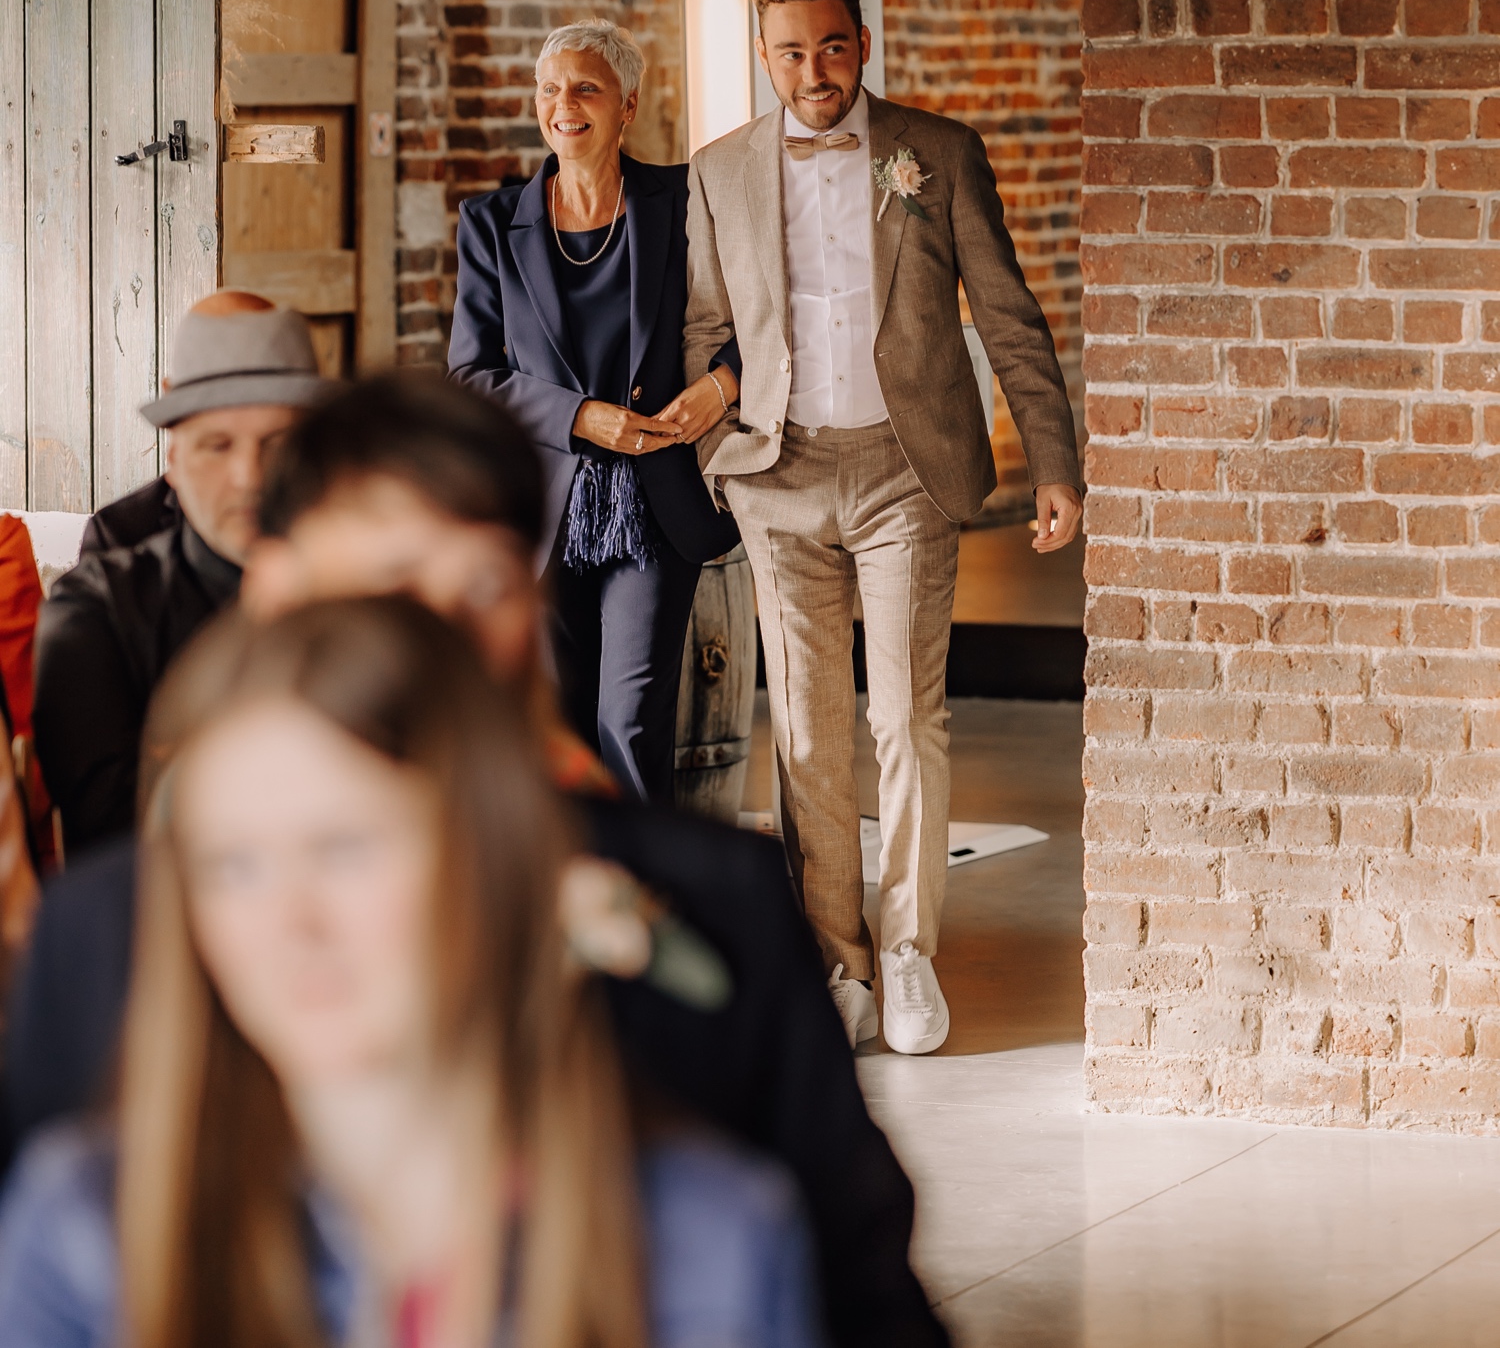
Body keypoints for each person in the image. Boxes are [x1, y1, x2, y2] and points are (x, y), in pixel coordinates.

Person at [7, 373, 946, 1348]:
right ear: (280, 591)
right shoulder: (106, 937)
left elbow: (863, 1292)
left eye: (487, 586)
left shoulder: (716, 908)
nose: (441, 635)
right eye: (392, 581)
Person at [0, 596, 826, 1348]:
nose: (292, 923)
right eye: (233, 866)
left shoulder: (713, 1243)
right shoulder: (83, 1234)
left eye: (345, 847)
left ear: (487, 856)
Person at [684, 0, 1083, 1056]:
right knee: (807, 733)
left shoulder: (938, 153)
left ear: (860, 41)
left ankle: (907, 954)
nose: (812, 71)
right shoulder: (718, 173)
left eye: (830, 46)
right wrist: (723, 451)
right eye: (788, 52)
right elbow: (701, 332)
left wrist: (1056, 460)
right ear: (761, 55)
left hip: (907, 472)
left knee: (906, 715)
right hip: (780, 476)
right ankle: (839, 965)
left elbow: (1008, 313)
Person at [449, 18, 739, 803]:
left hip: (659, 499)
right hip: (546, 506)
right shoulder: (490, 225)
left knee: (630, 721)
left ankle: (648, 905)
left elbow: (762, 320)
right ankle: (571, 905)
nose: (563, 105)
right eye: (549, 89)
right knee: (560, 727)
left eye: (585, 88)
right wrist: (584, 416)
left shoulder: (683, 201)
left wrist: (723, 385)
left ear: (628, 105)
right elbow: (472, 373)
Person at [31, 294, 326, 854]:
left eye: (278, 444)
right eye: (217, 445)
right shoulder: (97, 611)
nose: (248, 477)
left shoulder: (377, 594)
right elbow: (113, 840)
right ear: (173, 456)